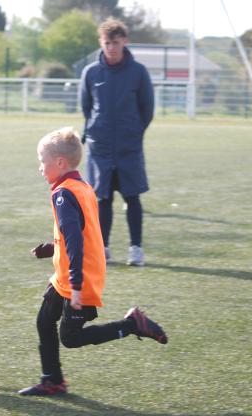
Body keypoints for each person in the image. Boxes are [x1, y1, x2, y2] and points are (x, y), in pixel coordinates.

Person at [18, 127, 167, 397]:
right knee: (44, 320)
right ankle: (52, 380)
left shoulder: (63, 194)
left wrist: (76, 285)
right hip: (67, 276)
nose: (40, 168)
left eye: (43, 161)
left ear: (60, 163)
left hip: (78, 279)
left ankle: (132, 324)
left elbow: (76, 240)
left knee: (71, 338)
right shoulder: (83, 187)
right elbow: (82, 233)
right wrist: (52, 249)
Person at [80, 19, 154, 266]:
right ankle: (103, 248)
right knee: (102, 199)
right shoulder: (91, 72)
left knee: (132, 197)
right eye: (107, 42)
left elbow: (147, 109)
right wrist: (97, 132)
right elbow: (87, 107)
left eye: (116, 42)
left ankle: (136, 249)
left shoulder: (139, 72)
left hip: (128, 148)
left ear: (125, 42)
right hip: (100, 148)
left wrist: (132, 133)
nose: (111, 47)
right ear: (101, 43)